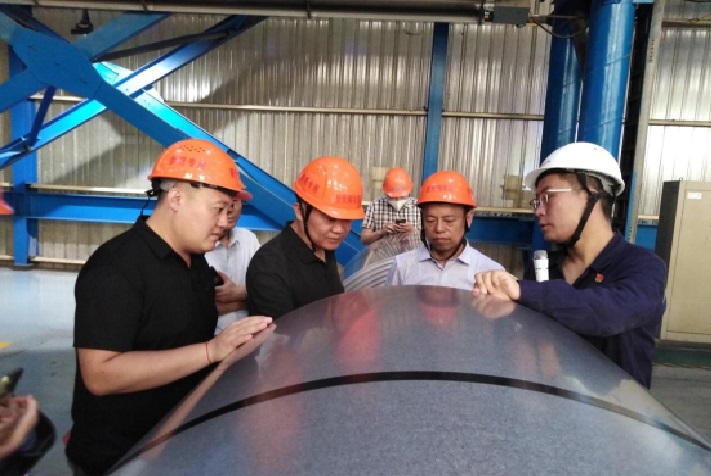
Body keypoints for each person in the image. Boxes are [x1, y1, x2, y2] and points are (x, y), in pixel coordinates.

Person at [66, 139, 275, 475]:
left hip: (177, 443)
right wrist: (211, 351)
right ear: (176, 198)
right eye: (217, 209)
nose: (225, 222)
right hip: (121, 457)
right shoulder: (117, 267)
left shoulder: (195, 263)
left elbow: (176, 320)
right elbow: (100, 375)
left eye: (229, 210)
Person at [473, 142, 666, 389]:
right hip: (553, 404)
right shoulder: (544, 268)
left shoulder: (642, 266)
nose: (538, 212)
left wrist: (522, 290)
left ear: (592, 192)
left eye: (547, 197)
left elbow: (609, 313)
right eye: (536, 202)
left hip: (616, 409)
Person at [246, 156, 364, 319]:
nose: (339, 230)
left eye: (347, 220)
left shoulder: (323, 247)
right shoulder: (269, 267)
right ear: (300, 211)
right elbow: (280, 334)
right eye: (329, 219)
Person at [387, 171, 504, 291]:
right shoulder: (402, 266)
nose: (439, 229)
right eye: (430, 220)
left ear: (468, 218)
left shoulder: (489, 273)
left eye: (449, 221)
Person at [205, 192, 261, 333]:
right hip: (208, 339)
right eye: (222, 203)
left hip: (251, 335)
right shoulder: (196, 244)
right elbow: (193, 308)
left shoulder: (249, 238)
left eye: (235, 200)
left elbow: (269, 292)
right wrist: (249, 300)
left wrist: (239, 293)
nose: (229, 208)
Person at [361, 167, 420, 245]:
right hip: (383, 252)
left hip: (412, 252)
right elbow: (364, 239)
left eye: (402, 197)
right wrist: (381, 232)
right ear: (385, 191)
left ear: (409, 191)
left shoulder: (419, 207)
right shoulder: (374, 206)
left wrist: (413, 231)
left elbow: (431, 239)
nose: (398, 200)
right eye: (393, 197)